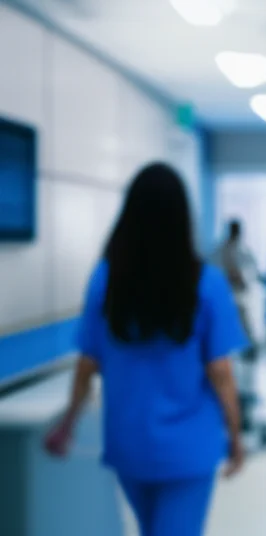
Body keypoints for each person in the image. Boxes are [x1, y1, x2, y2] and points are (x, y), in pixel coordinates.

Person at [44, 163, 248, 536]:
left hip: (130, 444)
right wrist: (236, 436)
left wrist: (68, 424)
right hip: (189, 449)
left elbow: (87, 365)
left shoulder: (107, 280)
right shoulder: (206, 284)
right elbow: (221, 374)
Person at [209, 219, 263, 353]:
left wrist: (241, 277)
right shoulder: (219, 251)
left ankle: (249, 348)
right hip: (224, 295)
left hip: (241, 295)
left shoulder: (244, 251)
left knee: (245, 321)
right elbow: (213, 272)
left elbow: (252, 272)